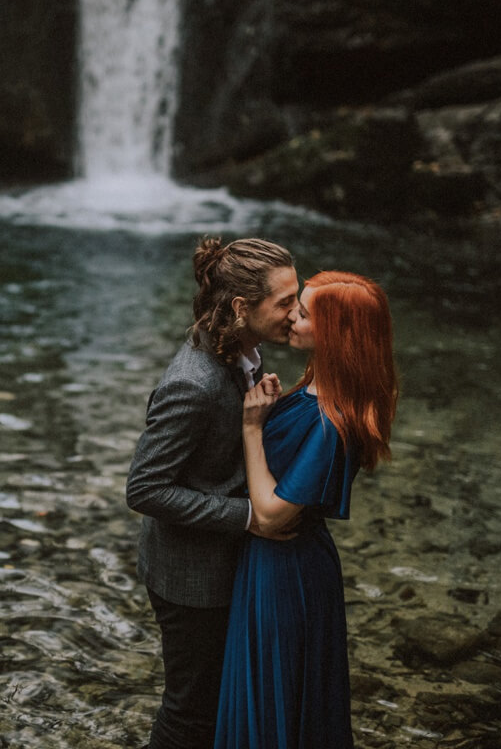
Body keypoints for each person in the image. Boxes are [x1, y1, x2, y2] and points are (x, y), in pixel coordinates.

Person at [127, 236, 301, 749]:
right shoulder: (193, 383)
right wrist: (248, 516)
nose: (298, 312)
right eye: (285, 301)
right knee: (190, 713)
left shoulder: (242, 343)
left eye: (299, 296)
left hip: (219, 566)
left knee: (218, 702)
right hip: (190, 580)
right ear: (242, 307)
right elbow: (145, 488)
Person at [214, 271, 399, 748]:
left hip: (285, 569)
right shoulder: (320, 386)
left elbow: (273, 515)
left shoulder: (331, 422)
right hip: (280, 564)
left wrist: (253, 428)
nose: (292, 315)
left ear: (336, 334)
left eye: (304, 312)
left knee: (272, 703)